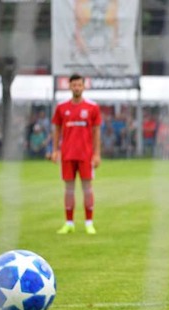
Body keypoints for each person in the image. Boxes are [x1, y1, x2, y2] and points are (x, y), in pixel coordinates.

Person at [51, 73, 102, 235]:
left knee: (87, 188)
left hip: (86, 155)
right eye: (74, 85)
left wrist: (97, 154)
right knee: (69, 189)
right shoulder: (61, 108)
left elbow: (96, 132)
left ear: (84, 86)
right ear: (69, 86)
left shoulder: (92, 107)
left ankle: (89, 223)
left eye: (79, 85)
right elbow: (57, 130)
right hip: (67, 154)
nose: (77, 88)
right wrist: (55, 150)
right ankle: (69, 223)